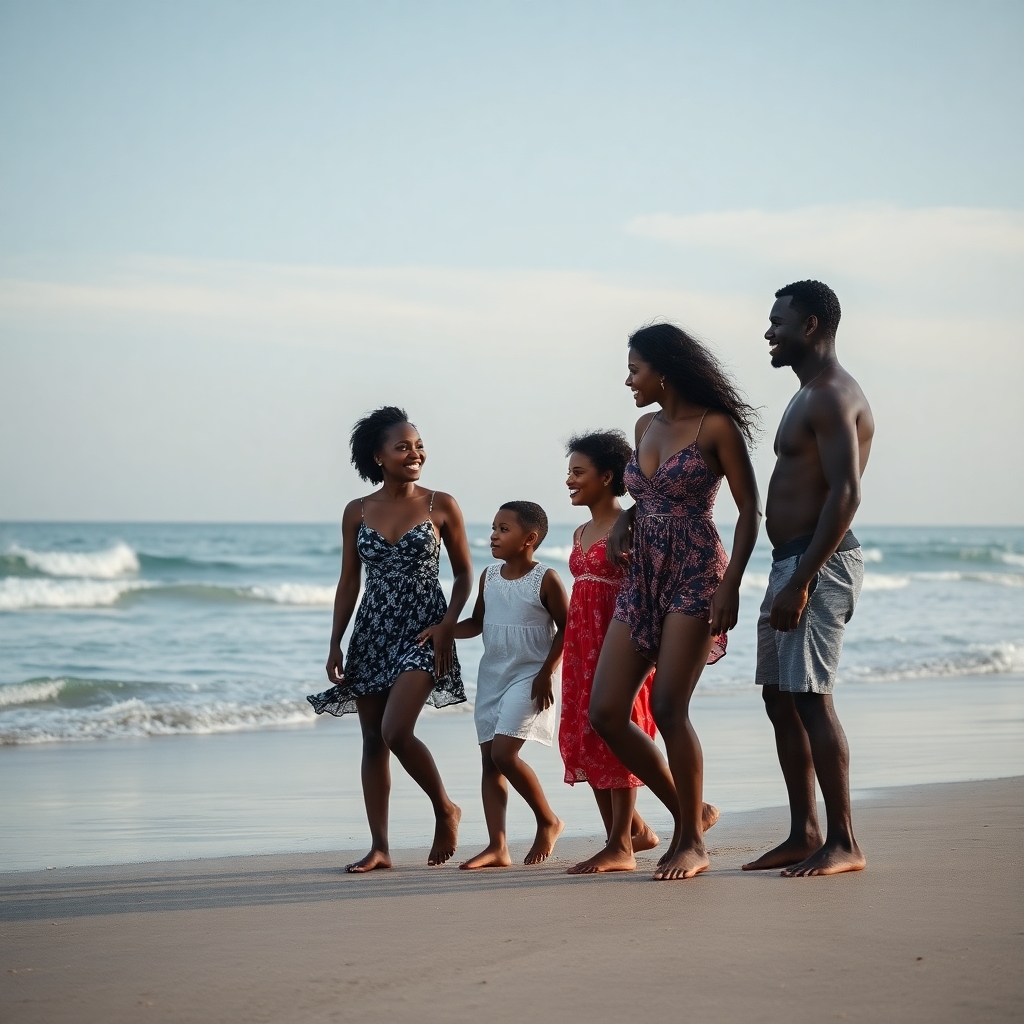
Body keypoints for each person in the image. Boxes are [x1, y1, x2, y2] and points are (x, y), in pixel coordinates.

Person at [589, 323, 762, 880]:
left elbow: (748, 511)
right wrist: (628, 522)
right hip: (643, 576)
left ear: (663, 370)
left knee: (668, 708)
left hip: (695, 573)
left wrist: (731, 584)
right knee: (607, 712)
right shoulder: (644, 426)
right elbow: (652, 493)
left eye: (635, 368)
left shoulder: (716, 428)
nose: (628, 379)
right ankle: (689, 813)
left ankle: (691, 841)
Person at [742, 280, 874, 877]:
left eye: (779, 322)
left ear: (812, 325)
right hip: (791, 561)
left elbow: (846, 493)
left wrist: (802, 581)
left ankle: (844, 841)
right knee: (781, 696)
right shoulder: (808, 393)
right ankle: (805, 831)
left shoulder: (831, 395)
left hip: (816, 564)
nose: (769, 332)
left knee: (811, 698)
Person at [307, 406, 473, 871]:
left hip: (424, 628)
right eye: (403, 447)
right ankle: (380, 846)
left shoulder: (442, 504)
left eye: (418, 446)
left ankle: (445, 807)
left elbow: (463, 576)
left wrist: (447, 626)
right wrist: (335, 641)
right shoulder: (357, 511)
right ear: (378, 456)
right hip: (372, 630)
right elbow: (348, 582)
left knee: (396, 730)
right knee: (371, 741)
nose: (414, 453)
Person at [560, 430, 719, 875]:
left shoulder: (626, 527)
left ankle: (623, 842)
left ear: (608, 475)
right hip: (582, 643)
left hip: (620, 633)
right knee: (587, 732)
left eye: (578, 472)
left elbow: (645, 583)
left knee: (620, 727)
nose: (569, 480)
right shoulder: (581, 529)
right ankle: (631, 832)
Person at [437, 501, 569, 869]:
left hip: (531, 677)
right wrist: (445, 631)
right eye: (494, 527)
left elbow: (568, 628)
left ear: (530, 539)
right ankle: (498, 846)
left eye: (503, 529)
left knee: (503, 754)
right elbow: (477, 622)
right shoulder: (489, 577)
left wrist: (546, 673)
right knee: (489, 761)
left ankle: (548, 820)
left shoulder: (545, 578)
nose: (493, 535)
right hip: (493, 675)